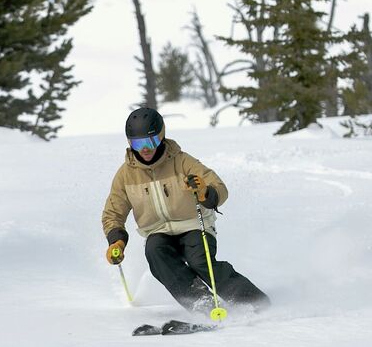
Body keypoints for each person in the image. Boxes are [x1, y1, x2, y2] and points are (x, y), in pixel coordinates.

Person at [102, 107, 269, 314]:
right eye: (138, 143)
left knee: (200, 260)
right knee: (155, 252)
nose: (145, 149)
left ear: (161, 137)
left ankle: (253, 301)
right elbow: (113, 213)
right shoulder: (126, 175)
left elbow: (219, 187)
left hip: (194, 225)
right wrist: (116, 240)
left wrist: (204, 192)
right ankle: (202, 304)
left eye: (150, 141)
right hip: (157, 231)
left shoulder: (181, 161)